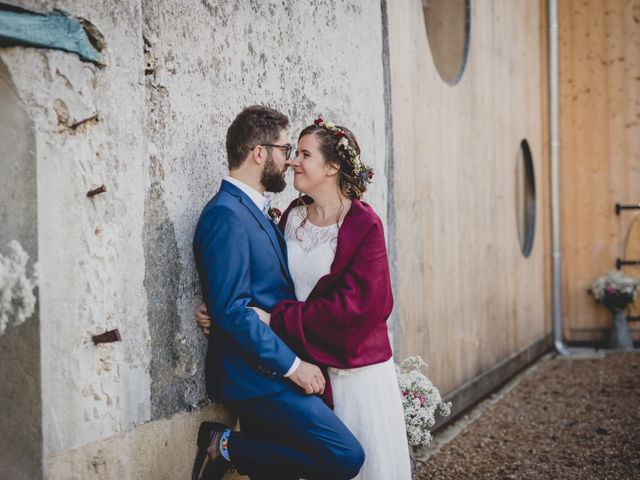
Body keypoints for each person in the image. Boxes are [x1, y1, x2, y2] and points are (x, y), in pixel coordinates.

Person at [196, 117, 411, 479]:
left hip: (349, 366)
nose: (294, 160)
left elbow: (361, 309)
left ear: (332, 166)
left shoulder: (363, 223)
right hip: (295, 360)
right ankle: (225, 447)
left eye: (303, 154)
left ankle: (227, 447)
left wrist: (274, 318)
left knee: (356, 459)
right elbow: (261, 285)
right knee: (325, 457)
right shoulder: (292, 216)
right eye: (290, 151)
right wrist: (220, 307)